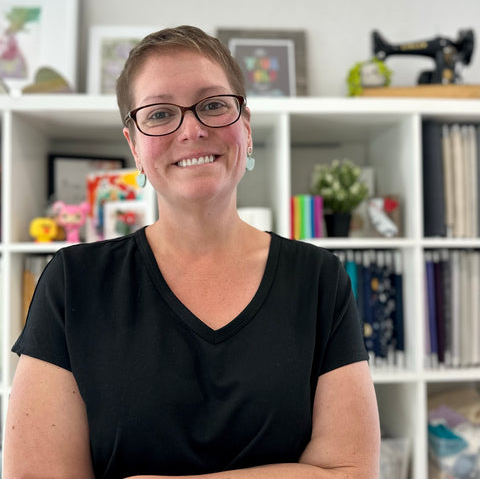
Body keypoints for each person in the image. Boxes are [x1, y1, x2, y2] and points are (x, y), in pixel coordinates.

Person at [4, 25, 380, 479]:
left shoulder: (320, 279)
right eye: (160, 113)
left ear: (245, 126)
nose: (193, 129)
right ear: (134, 147)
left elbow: (350, 472)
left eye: (213, 105)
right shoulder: (73, 281)